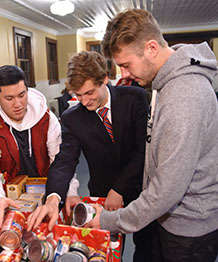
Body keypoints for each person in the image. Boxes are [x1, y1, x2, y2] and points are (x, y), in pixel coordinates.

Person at [87, 9, 218, 262]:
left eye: (126, 65)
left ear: (151, 48)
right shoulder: (164, 82)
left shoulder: (184, 96)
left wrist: (109, 220)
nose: (123, 74)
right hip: (168, 219)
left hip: (189, 229)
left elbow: (167, 190)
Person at [27, 51, 154, 261]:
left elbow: (143, 151)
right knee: (107, 252)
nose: (84, 101)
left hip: (142, 190)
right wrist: (53, 198)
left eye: (89, 93)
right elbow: (65, 160)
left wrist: (119, 189)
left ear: (104, 79)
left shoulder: (135, 98)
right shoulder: (72, 118)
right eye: (78, 95)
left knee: (146, 249)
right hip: (102, 197)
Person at [0, 65, 62, 233]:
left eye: (22, 95)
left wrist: (60, 196)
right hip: (11, 205)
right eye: (9, 98)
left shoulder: (47, 119)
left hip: (49, 197)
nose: (18, 104)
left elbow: (60, 162)